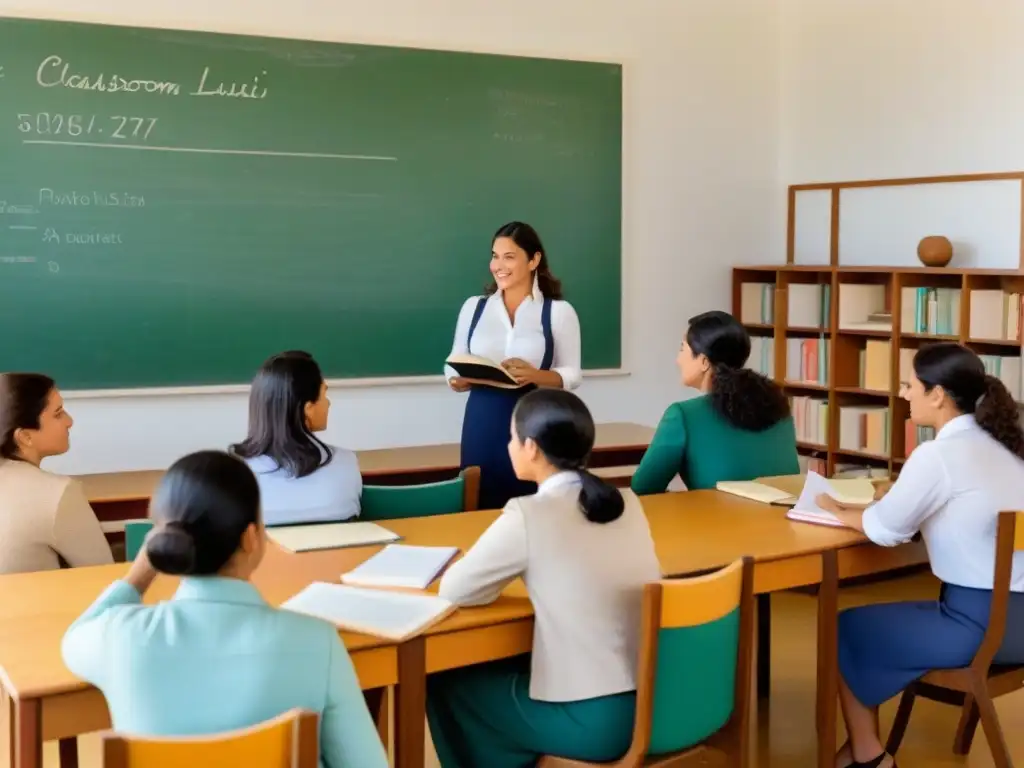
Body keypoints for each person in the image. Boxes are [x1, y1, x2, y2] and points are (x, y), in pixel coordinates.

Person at [61, 450, 388, 768]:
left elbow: (73, 638)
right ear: (250, 538)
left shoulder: (120, 638)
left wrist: (141, 571)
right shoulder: (317, 643)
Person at [815, 343, 1024, 768]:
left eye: (911, 385)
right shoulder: (1005, 450)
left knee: (847, 626)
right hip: (1016, 623)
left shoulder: (937, 455)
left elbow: (886, 529)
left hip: (978, 627)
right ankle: (860, 754)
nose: (904, 394)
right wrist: (889, 499)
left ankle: (869, 757)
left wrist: (834, 508)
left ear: (938, 395)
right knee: (870, 625)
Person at [427, 388, 661, 767]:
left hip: (595, 722)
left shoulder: (529, 513)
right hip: (657, 705)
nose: (509, 445)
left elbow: (457, 589)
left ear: (531, 448)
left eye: (511, 437)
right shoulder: (627, 502)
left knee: (445, 678)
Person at [445, 221, 582, 509]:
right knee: (478, 502)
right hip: (482, 420)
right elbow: (454, 358)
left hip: (534, 422)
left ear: (534, 260)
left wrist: (537, 375)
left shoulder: (558, 312)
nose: (498, 265)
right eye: (495, 256)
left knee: (533, 507)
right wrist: (455, 378)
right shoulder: (474, 307)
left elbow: (572, 374)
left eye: (509, 256)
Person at [631, 310, 798, 493]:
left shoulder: (683, 416)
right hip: (785, 520)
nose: (677, 360)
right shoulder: (778, 405)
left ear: (703, 361)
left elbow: (643, 487)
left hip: (716, 521)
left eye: (682, 349)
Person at [231, 351, 361, 526]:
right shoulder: (346, 463)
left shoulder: (234, 478)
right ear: (308, 408)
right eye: (324, 394)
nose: (328, 402)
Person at [0, 372, 112, 574]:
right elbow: (103, 574)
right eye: (58, 413)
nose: (70, 421)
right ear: (25, 437)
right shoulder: (58, 492)